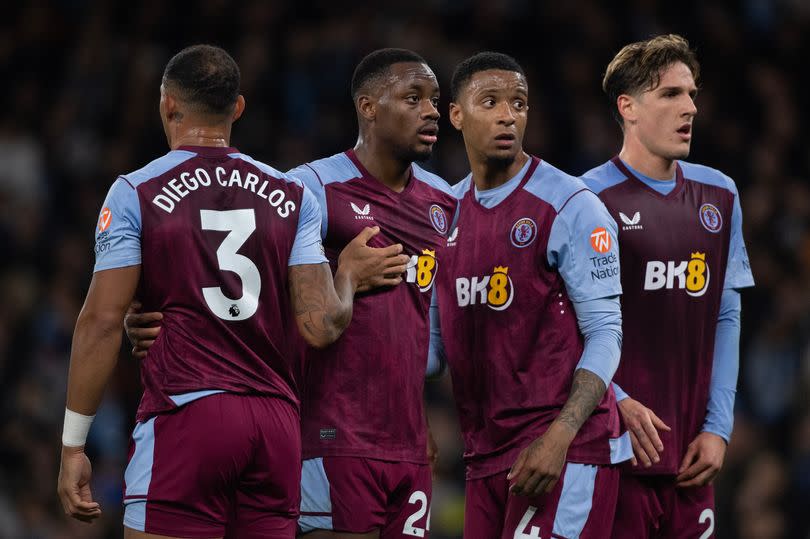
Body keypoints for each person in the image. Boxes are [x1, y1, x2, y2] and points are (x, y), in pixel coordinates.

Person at [56, 44, 408, 539]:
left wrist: (74, 446)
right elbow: (321, 325)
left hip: (188, 413)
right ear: (237, 108)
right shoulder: (291, 194)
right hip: (275, 427)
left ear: (167, 104)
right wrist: (344, 274)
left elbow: (101, 321)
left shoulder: (136, 191)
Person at [126, 48, 458, 538]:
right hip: (326, 434)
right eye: (414, 97)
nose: (432, 110)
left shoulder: (443, 203)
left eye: (434, 98)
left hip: (407, 444)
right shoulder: (310, 188)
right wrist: (162, 315)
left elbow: (422, 322)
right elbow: (243, 285)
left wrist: (418, 408)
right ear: (367, 106)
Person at [433, 51, 632, 539]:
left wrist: (558, 436)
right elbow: (434, 347)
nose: (508, 114)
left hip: (565, 448)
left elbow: (607, 334)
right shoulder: (443, 216)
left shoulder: (571, 206)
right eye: (491, 102)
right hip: (484, 456)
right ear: (456, 114)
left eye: (519, 103)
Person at [581, 34, 755, 538]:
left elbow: (726, 315)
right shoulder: (587, 199)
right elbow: (566, 326)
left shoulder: (719, 194)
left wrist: (718, 428)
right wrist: (614, 399)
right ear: (628, 107)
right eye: (672, 94)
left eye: (693, 94)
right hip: (613, 451)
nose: (691, 108)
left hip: (691, 459)